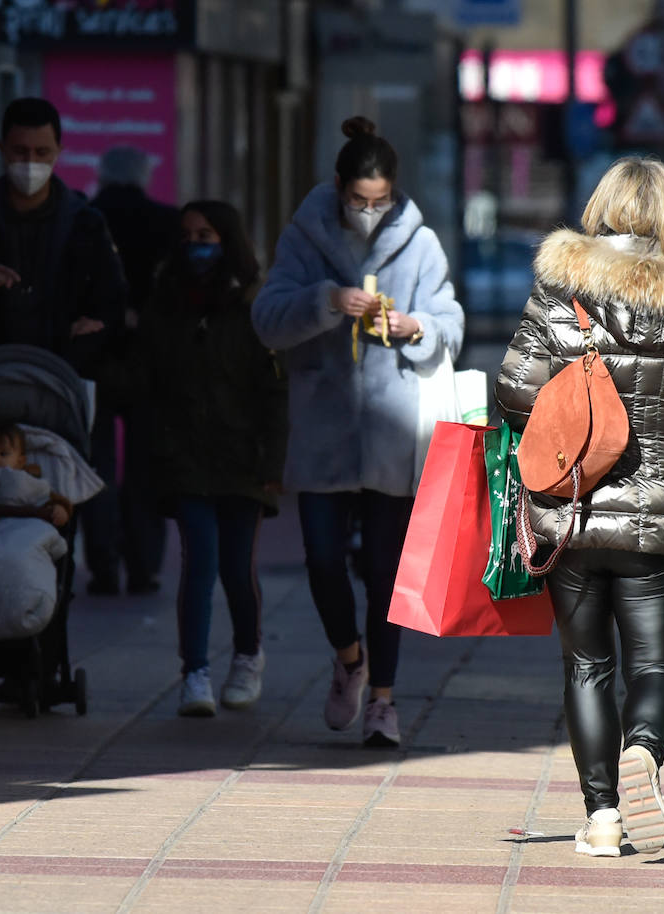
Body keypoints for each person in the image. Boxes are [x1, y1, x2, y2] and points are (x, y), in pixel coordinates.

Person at [494, 156, 664, 857]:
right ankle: (644, 748)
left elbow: (513, 392)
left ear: (602, 207)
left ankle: (603, 816)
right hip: (658, 522)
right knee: (655, 668)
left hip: (570, 514)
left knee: (587, 667)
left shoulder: (560, 286)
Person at [251, 117, 464, 748]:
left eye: (381, 201)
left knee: (384, 571)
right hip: (323, 427)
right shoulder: (305, 235)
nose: (370, 212)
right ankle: (349, 659)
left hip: (392, 431)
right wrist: (324, 301)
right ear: (339, 187)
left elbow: (450, 321)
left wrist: (415, 327)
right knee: (321, 560)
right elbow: (267, 319)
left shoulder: (419, 242)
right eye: (358, 200)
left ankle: (383, 701)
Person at [119, 201, 288, 716]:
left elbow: (273, 393)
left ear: (227, 240)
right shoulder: (164, 304)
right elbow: (141, 378)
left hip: (243, 459)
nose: (196, 245)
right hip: (185, 457)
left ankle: (247, 655)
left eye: (206, 235)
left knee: (237, 568)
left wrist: (272, 463)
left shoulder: (254, 307)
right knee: (199, 564)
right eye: (188, 236)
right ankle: (194, 672)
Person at [0, 96, 127, 375]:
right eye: (20, 151)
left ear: (58, 152)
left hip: (64, 378)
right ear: (2, 150)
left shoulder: (85, 223)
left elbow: (114, 302)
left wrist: (97, 325)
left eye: (42, 152)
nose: (31, 162)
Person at [87, 146, 182, 596]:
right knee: (145, 467)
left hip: (95, 357)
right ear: (143, 175)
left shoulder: (86, 218)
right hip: (151, 361)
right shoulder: (167, 222)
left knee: (96, 466)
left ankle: (102, 564)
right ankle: (144, 566)